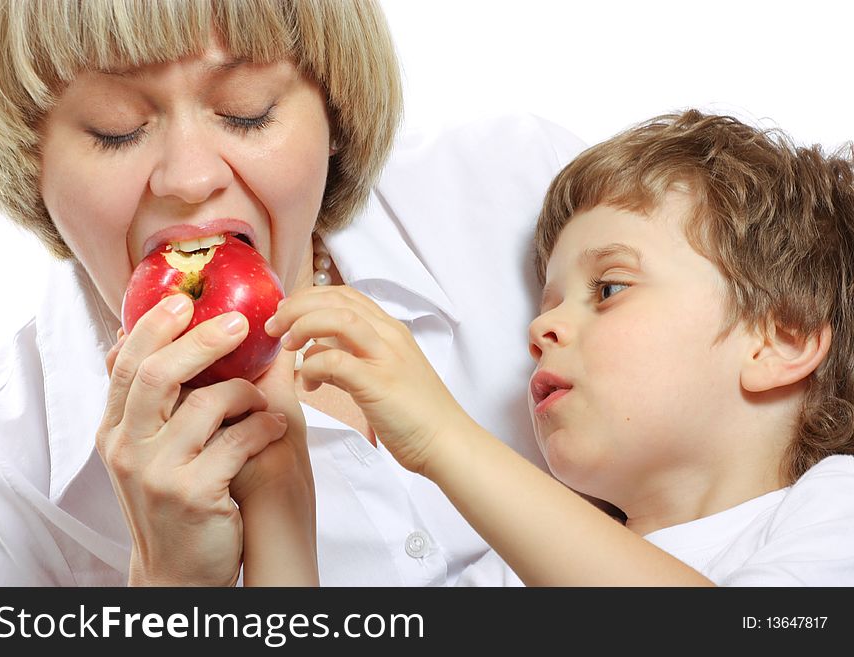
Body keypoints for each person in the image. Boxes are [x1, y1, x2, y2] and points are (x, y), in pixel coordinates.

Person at [0, 0, 585, 586]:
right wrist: (173, 590)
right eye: (116, 129)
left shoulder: (544, 203)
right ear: (30, 161)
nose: (191, 179)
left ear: (335, 115)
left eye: (247, 111)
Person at [258, 110, 854, 585]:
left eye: (610, 288)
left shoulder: (834, 509)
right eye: (547, 305)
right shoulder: (511, 571)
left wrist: (445, 438)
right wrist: (276, 488)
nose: (537, 333)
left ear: (783, 340)